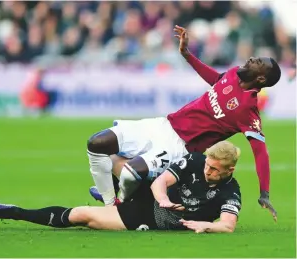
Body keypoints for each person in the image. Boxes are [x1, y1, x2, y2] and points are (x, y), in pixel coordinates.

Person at [86, 25, 280, 221]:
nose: (251, 59)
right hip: (163, 124)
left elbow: (260, 152)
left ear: (261, 78)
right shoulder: (232, 73)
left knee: (129, 174)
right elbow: (215, 79)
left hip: (179, 146)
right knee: (97, 143)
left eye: (257, 62)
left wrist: (265, 192)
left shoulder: (248, 111)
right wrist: (187, 54)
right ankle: (111, 202)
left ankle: (120, 204)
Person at [0, 141, 242, 233]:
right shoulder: (195, 160)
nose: (207, 170)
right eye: (208, 164)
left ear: (229, 170)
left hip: (148, 217)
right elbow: (162, 181)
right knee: (116, 161)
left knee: (80, 216)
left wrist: (206, 225)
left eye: (214, 169)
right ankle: (117, 195)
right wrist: (162, 198)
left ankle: (14, 212)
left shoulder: (231, 191)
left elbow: (228, 225)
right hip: (151, 194)